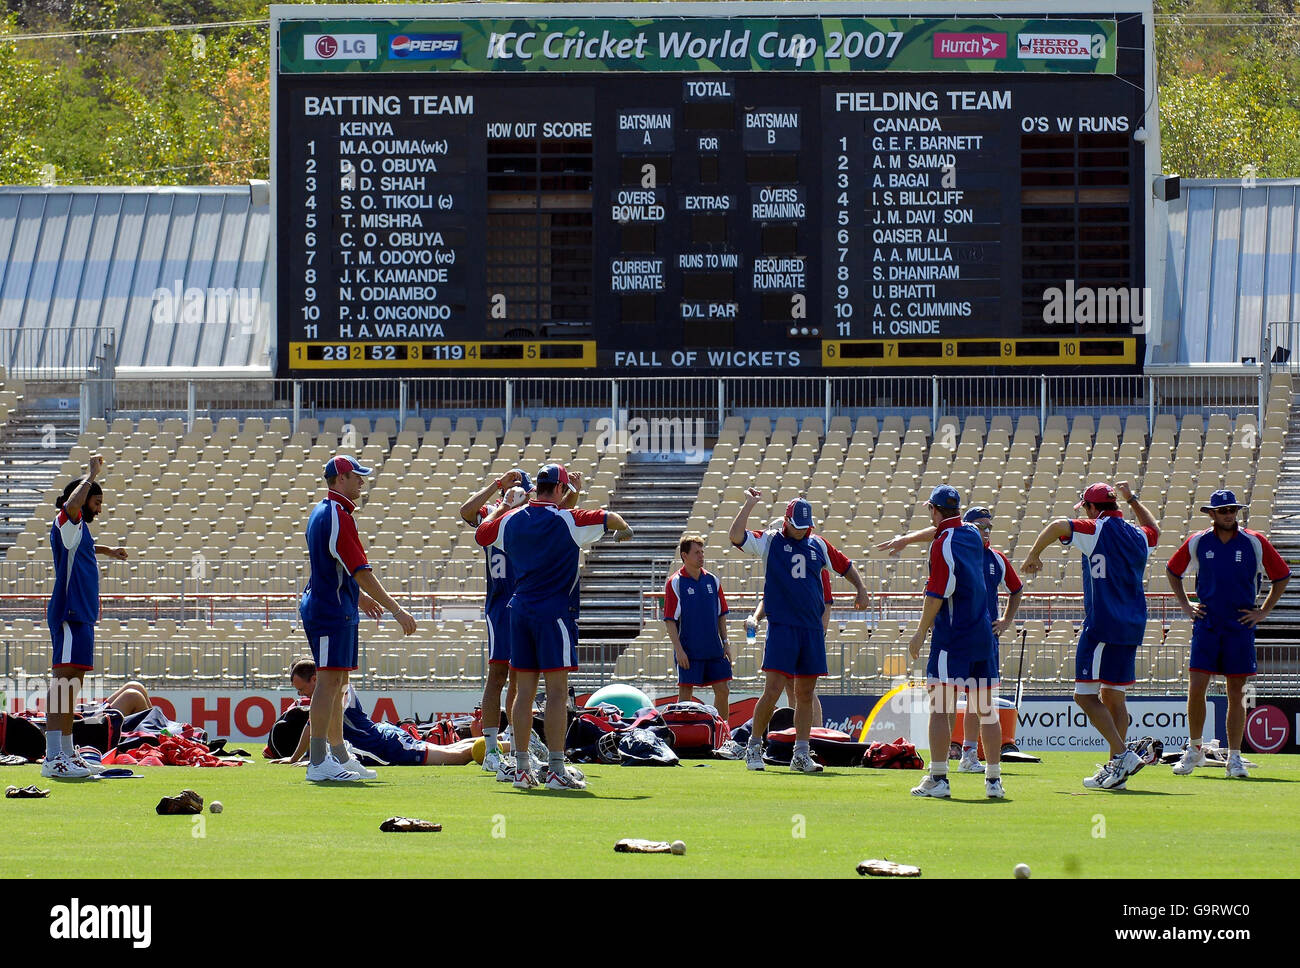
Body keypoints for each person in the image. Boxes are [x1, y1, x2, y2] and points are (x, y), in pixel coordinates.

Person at [475, 463, 633, 791]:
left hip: (518, 611)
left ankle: (521, 770)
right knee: (557, 692)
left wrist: (502, 506)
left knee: (523, 693)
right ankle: (557, 769)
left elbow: (482, 534)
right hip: (554, 614)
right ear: (561, 490)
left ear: (539, 488)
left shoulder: (512, 519)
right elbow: (610, 517)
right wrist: (624, 531)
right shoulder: (567, 519)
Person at [1022, 481, 1158, 791]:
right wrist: (1133, 499)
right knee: (1113, 697)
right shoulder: (1137, 535)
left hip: (1102, 625)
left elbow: (1058, 525)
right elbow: (1154, 529)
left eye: (1086, 507)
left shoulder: (1096, 529)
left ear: (1093, 508)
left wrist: (1033, 556)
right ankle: (1116, 771)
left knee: (1083, 696)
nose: (1086, 513)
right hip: (1132, 625)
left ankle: (1122, 755)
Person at [876, 505, 1022, 773]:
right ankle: (991, 777)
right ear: (967, 527)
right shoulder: (958, 545)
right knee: (969, 705)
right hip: (974, 640)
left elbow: (1016, 589)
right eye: (980, 525)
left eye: (989, 526)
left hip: (965, 639)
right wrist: (907, 539)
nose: (986, 531)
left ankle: (947, 769)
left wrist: (1005, 621)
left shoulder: (993, 557)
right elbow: (939, 532)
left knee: (961, 706)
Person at [729, 493, 868, 773]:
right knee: (773, 691)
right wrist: (749, 504)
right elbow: (735, 536)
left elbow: (845, 565)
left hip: (811, 630)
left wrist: (861, 588)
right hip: (783, 629)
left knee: (805, 693)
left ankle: (801, 753)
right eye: (797, 524)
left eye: (806, 525)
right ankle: (754, 746)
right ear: (786, 520)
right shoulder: (771, 541)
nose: (802, 530)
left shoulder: (818, 544)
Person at [300, 455, 417, 782]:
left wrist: (359, 597)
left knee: (338, 684)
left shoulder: (327, 511)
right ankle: (319, 760)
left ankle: (337, 753)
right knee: (327, 683)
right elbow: (360, 571)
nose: (362, 482)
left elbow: (334, 566)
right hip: (329, 610)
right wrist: (396, 608)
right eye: (355, 476)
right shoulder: (336, 515)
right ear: (340, 480)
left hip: (337, 607)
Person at [1166, 490, 1291, 778]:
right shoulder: (1198, 541)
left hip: (1239, 625)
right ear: (1211, 513)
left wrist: (1263, 611)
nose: (1228, 515)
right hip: (1207, 623)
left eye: (1232, 510)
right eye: (1222, 510)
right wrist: (1186, 604)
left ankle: (1234, 757)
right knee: (1197, 686)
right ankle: (1195, 749)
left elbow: (1282, 576)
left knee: (1237, 691)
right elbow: (1173, 571)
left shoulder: (1254, 541)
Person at [905, 486, 1005, 799]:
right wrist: (908, 539)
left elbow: (939, 590)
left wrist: (921, 631)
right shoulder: (974, 535)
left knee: (940, 708)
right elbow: (950, 529)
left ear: (934, 510)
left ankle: (938, 778)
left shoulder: (943, 542)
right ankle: (993, 782)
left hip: (953, 635)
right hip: (982, 634)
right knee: (987, 710)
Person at [43, 456, 129, 779]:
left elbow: (88, 549)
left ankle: (66, 752)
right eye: (96, 501)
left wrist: (110, 552)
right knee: (62, 683)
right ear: (80, 500)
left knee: (72, 684)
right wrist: (92, 474)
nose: (99, 508)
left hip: (82, 616)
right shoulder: (66, 521)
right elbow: (71, 507)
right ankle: (52, 757)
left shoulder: (79, 532)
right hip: (69, 612)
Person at [276, 659, 476, 766]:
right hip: (384, 740)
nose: (301, 694)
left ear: (314, 679)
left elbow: (313, 727)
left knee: (457, 757)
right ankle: (495, 744)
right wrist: (294, 759)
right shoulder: (325, 695)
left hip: (386, 746)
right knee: (452, 749)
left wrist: (309, 760)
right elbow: (311, 727)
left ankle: (498, 746)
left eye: (301, 689)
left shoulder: (337, 691)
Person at [745, 567, 833, 726]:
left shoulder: (815, 560)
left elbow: (826, 602)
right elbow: (768, 598)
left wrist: (821, 633)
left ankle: (815, 736)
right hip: (783, 634)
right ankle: (797, 735)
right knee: (787, 686)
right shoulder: (779, 560)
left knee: (805, 689)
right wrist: (756, 618)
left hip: (807, 633)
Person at [665, 534, 732, 720]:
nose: (701, 556)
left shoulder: (713, 580)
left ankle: (722, 733)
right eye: (696, 552)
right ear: (684, 556)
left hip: (714, 649)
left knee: (723, 690)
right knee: (685, 694)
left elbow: (721, 615)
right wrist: (679, 651)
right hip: (689, 651)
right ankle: (681, 736)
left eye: (702, 552)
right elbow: (670, 620)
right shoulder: (675, 582)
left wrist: (726, 642)